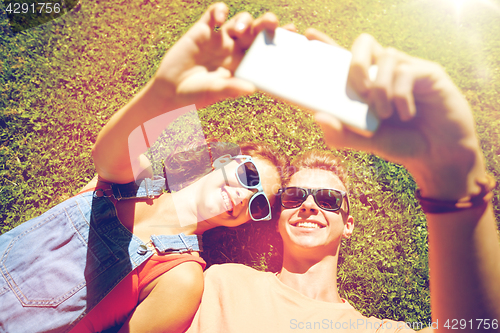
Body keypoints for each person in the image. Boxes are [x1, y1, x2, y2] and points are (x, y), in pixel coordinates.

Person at [184, 13, 500, 333]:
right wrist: (186, 86)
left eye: (328, 199)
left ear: (348, 225)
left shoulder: (373, 330)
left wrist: (452, 174)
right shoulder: (220, 282)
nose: (309, 206)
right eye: (295, 197)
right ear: (278, 219)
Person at [0, 5, 286, 333]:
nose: (243, 196)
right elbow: (108, 153)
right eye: (249, 176)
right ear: (223, 161)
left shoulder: (182, 278)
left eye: (258, 203)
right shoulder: (135, 181)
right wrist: (163, 94)